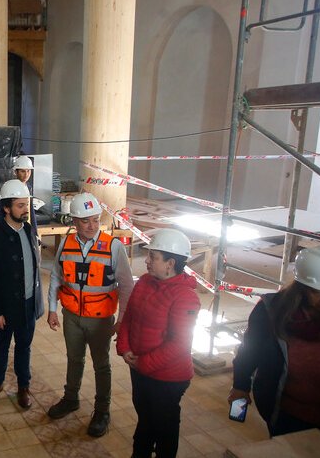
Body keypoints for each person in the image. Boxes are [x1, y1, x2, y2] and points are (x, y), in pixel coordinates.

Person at [229, 246, 320, 437]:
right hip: (285, 416)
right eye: (317, 292)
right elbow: (250, 350)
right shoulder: (270, 312)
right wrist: (240, 386)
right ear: (302, 288)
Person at [46, 192, 135, 438]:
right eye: (85, 221)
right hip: (71, 316)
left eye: (96, 220)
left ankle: (102, 411)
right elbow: (56, 276)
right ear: (74, 221)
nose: (92, 226)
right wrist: (52, 309)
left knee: (101, 365)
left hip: (100, 320)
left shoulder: (114, 247)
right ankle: (70, 398)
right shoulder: (65, 244)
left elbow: (127, 286)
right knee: (74, 359)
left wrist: (122, 319)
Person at [116, 229, 200, 458]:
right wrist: (124, 347)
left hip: (168, 378)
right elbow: (129, 316)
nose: (147, 261)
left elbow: (180, 344)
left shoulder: (185, 296)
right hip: (140, 369)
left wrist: (143, 363)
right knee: (145, 419)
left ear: (170, 263)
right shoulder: (144, 281)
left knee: (164, 428)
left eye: (153, 257)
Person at [0, 180, 43, 410]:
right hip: (5, 308)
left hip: (27, 304)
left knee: (24, 347)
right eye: (19, 205)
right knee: (2, 345)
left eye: (26, 204)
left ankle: (23, 386)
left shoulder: (28, 231)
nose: (25, 209)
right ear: (6, 208)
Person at [0, 156, 39, 242]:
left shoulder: (28, 187)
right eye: (23, 171)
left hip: (26, 227)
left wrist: (35, 233)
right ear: (16, 172)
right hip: (13, 229)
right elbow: (0, 212)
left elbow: (31, 211)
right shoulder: (10, 188)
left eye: (28, 171)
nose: (26, 174)